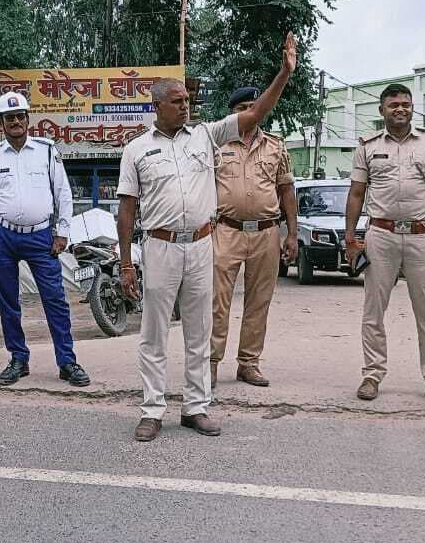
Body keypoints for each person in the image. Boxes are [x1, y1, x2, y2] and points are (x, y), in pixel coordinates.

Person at [118, 32, 298, 442]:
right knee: (154, 333)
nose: (186, 106)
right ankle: (152, 410)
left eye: (187, 101)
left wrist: (284, 74)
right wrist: (127, 263)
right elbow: (127, 210)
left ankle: (196, 407)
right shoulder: (136, 149)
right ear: (157, 105)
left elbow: (255, 116)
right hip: (159, 246)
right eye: (178, 101)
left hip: (202, 245)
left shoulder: (206, 135)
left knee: (200, 330)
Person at [344, 84, 425, 405]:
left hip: (423, 236)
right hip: (381, 234)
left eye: (406, 105)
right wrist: (350, 237)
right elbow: (356, 193)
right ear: (382, 111)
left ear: (412, 109)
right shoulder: (367, 146)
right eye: (394, 104)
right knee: (374, 311)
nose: (401, 109)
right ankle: (372, 374)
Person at [0, 92, 90, 388]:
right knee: (8, 301)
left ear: (28, 119)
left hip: (41, 235)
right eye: (9, 118)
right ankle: (18, 359)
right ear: (0, 123)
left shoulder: (46, 150)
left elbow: (62, 193)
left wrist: (62, 232)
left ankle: (67, 362)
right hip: (1, 235)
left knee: (54, 299)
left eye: (20, 116)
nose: (15, 122)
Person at [210, 85, 298, 388]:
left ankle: (248, 363)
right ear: (232, 113)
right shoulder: (216, 145)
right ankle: (210, 363)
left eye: (254, 106)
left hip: (266, 232)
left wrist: (292, 235)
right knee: (216, 301)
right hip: (225, 230)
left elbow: (286, 190)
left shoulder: (275, 146)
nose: (249, 112)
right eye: (242, 108)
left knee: (259, 301)